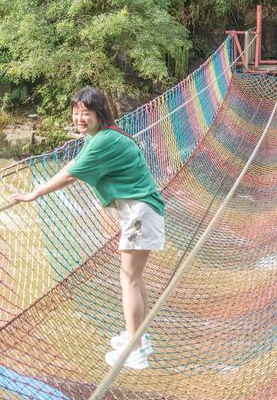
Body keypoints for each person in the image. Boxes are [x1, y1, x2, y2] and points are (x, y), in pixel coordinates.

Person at [10, 86, 165, 371]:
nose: (80, 118)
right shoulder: (103, 136)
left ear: (99, 114)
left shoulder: (103, 140)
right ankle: (140, 339)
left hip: (140, 212)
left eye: (86, 113)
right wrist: (39, 188)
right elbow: (73, 165)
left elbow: (70, 175)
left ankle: (135, 351)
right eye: (76, 112)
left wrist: (35, 194)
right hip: (143, 211)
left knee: (129, 278)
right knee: (134, 276)